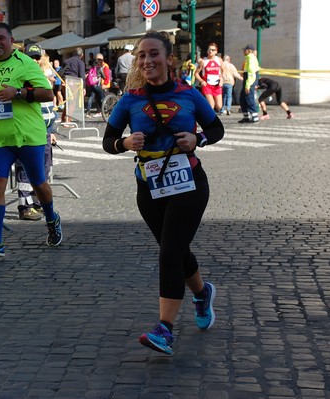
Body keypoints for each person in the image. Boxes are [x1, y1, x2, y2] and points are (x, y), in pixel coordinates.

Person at [102, 30, 224, 356]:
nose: (147, 60)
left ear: (168, 58)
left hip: (189, 183)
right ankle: (201, 294)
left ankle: (165, 330)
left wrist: (199, 140)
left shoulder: (190, 94)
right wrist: (124, 144)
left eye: (154, 54)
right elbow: (108, 141)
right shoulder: (129, 101)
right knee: (177, 250)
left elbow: (217, 128)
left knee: (169, 253)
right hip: (150, 187)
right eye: (142, 55)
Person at [0, 22, 63, 257]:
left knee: (38, 185)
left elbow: (48, 94)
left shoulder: (25, 64)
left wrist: (18, 93)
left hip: (28, 137)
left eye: (1, 38)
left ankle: (52, 219)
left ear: (11, 41)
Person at [14, 45, 57, 221]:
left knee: (43, 170)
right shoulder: (21, 78)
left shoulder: (43, 77)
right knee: (24, 171)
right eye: (31, 57)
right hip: (27, 133)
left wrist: (52, 130)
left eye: (37, 57)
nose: (34, 61)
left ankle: (39, 201)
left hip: (45, 132)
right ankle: (25, 206)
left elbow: (49, 107)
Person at [194, 43, 223, 113]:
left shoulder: (219, 60)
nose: (210, 51)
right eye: (209, 49)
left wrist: (221, 78)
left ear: (216, 51)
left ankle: (202, 109)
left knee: (219, 106)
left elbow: (223, 70)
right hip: (207, 85)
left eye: (213, 50)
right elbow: (196, 73)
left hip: (217, 85)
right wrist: (201, 81)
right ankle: (209, 119)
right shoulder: (203, 61)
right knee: (211, 105)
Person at [60, 47, 85, 123]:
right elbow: (82, 76)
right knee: (72, 101)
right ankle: (67, 120)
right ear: (82, 55)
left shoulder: (66, 61)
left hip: (64, 81)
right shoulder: (80, 62)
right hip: (73, 82)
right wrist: (83, 88)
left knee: (68, 100)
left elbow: (61, 71)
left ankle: (64, 118)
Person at [238, 44, 260, 123]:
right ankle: (246, 116)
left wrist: (248, 85)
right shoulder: (248, 59)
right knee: (243, 99)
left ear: (249, 51)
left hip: (249, 82)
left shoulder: (251, 59)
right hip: (248, 81)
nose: (243, 51)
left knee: (249, 99)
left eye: (245, 50)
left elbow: (251, 74)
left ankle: (254, 116)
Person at [86, 53, 110, 117]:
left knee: (92, 97)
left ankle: (88, 112)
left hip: (92, 86)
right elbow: (104, 77)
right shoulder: (99, 68)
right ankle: (106, 110)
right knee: (102, 98)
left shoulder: (92, 68)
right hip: (97, 85)